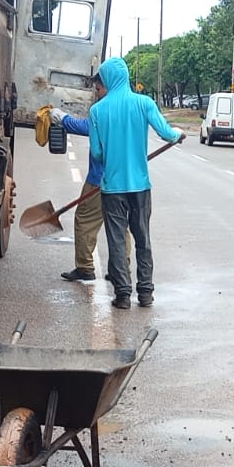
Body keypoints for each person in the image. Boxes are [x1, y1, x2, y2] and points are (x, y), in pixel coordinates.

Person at [88, 56, 183, 309]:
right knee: (143, 239)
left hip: (112, 189)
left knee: (117, 241)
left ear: (106, 79)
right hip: (140, 186)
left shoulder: (97, 111)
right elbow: (167, 133)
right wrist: (178, 135)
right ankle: (145, 293)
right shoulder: (144, 103)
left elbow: (97, 153)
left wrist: (110, 153)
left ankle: (122, 295)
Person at [47, 76, 131, 283]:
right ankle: (121, 268)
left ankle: (85, 267)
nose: (97, 92)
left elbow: (87, 127)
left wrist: (63, 119)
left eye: (98, 88)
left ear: (108, 86)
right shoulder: (130, 107)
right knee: (120, 224)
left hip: (100, 180)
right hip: (125, 180)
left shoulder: (105, 108)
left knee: (85, 219)